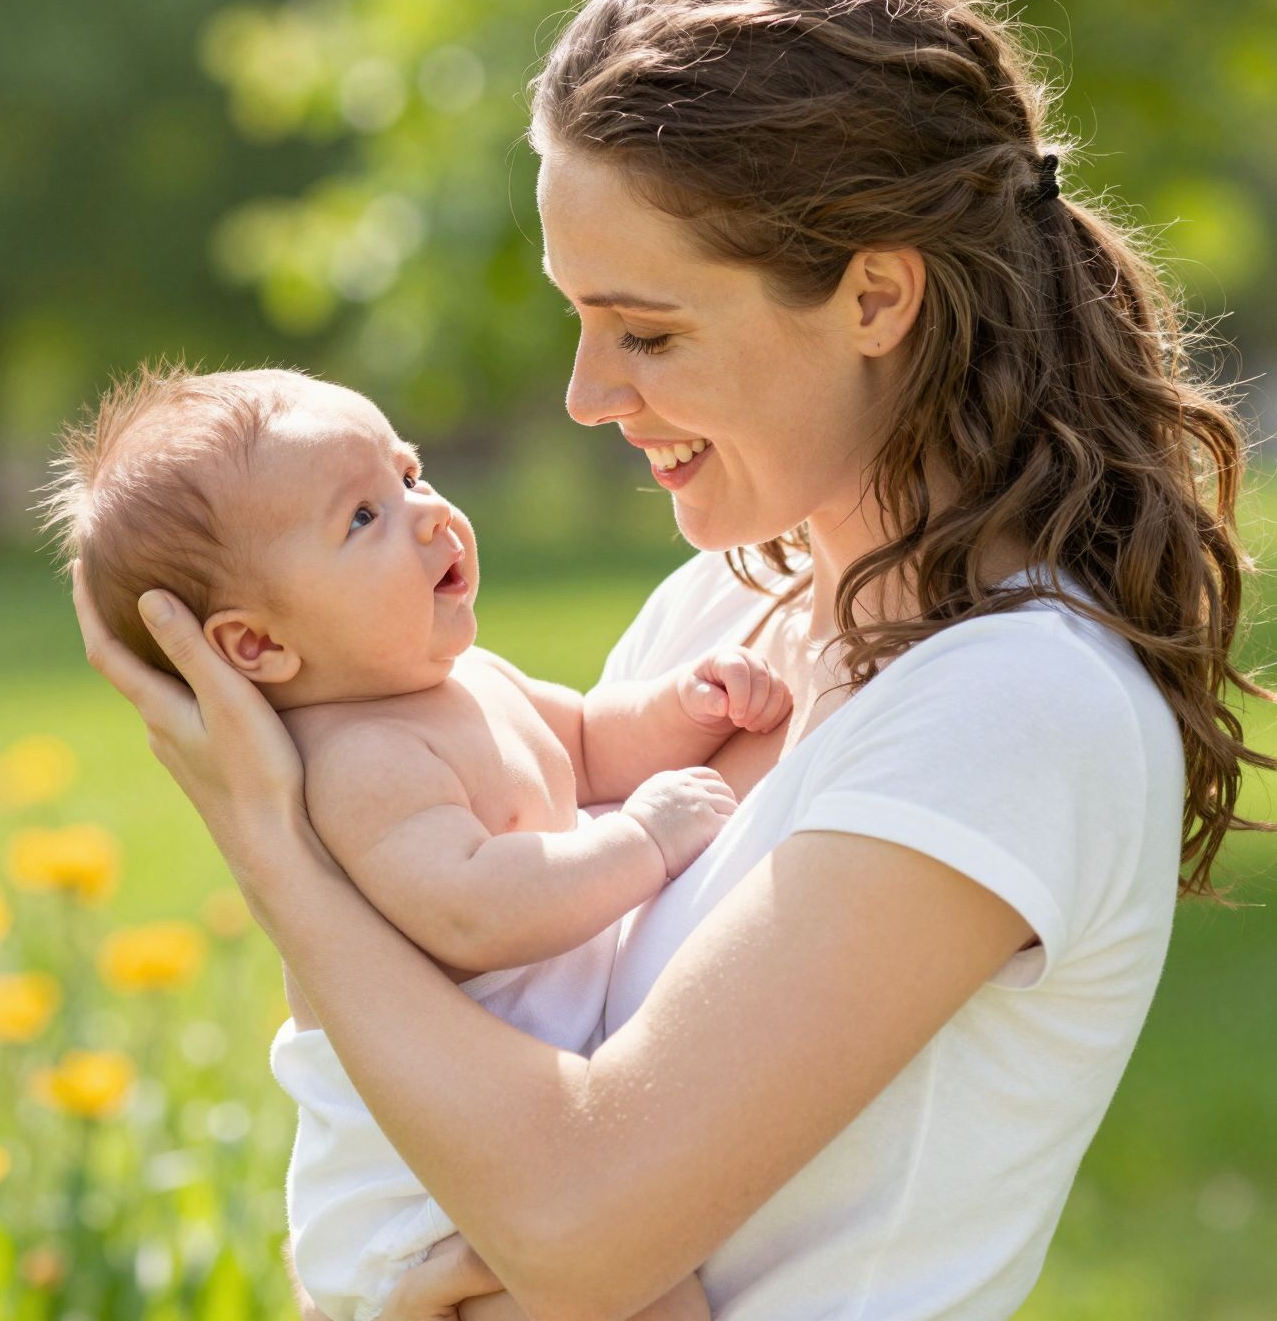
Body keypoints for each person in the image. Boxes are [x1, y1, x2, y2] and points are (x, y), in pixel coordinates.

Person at [75, 0, 1277, 1321]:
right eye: (578, 321)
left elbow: (576, 1226)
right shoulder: (722, 609)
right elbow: (467, 1072)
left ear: (877, 295)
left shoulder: (1018, 703)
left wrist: (272, 844)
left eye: (647, 332)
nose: (590, 394)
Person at [46, 363, 784, 1320]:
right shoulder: (356, 766)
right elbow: (477, 905)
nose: (429, 513)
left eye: (408, 472)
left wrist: (687, 705)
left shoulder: (462, 680)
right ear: (256, 648)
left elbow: (590, 740)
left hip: (492, 1159)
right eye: (363, 517)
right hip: (421, 1202)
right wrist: (641, 841)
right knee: (648, 1302)